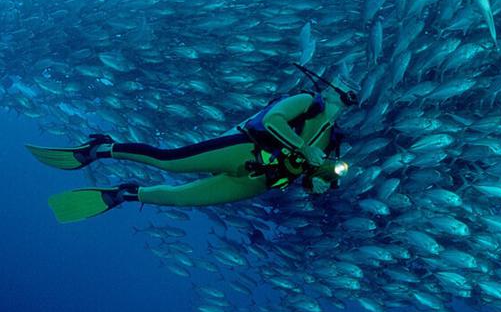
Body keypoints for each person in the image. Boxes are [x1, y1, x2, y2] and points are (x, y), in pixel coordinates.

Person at [27, 65, 356, 223]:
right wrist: (304, 149)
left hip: (261, 183)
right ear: (329, 87)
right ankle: (100, 149)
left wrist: (322, 181)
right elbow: (271, 122)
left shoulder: (332, 137)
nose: (348, 90)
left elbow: (312, 179)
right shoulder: (305, 101)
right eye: (344, 83)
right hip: (244, 150)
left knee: (181, 199)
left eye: (353, 89)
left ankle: (125, 194)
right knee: (169, 161)